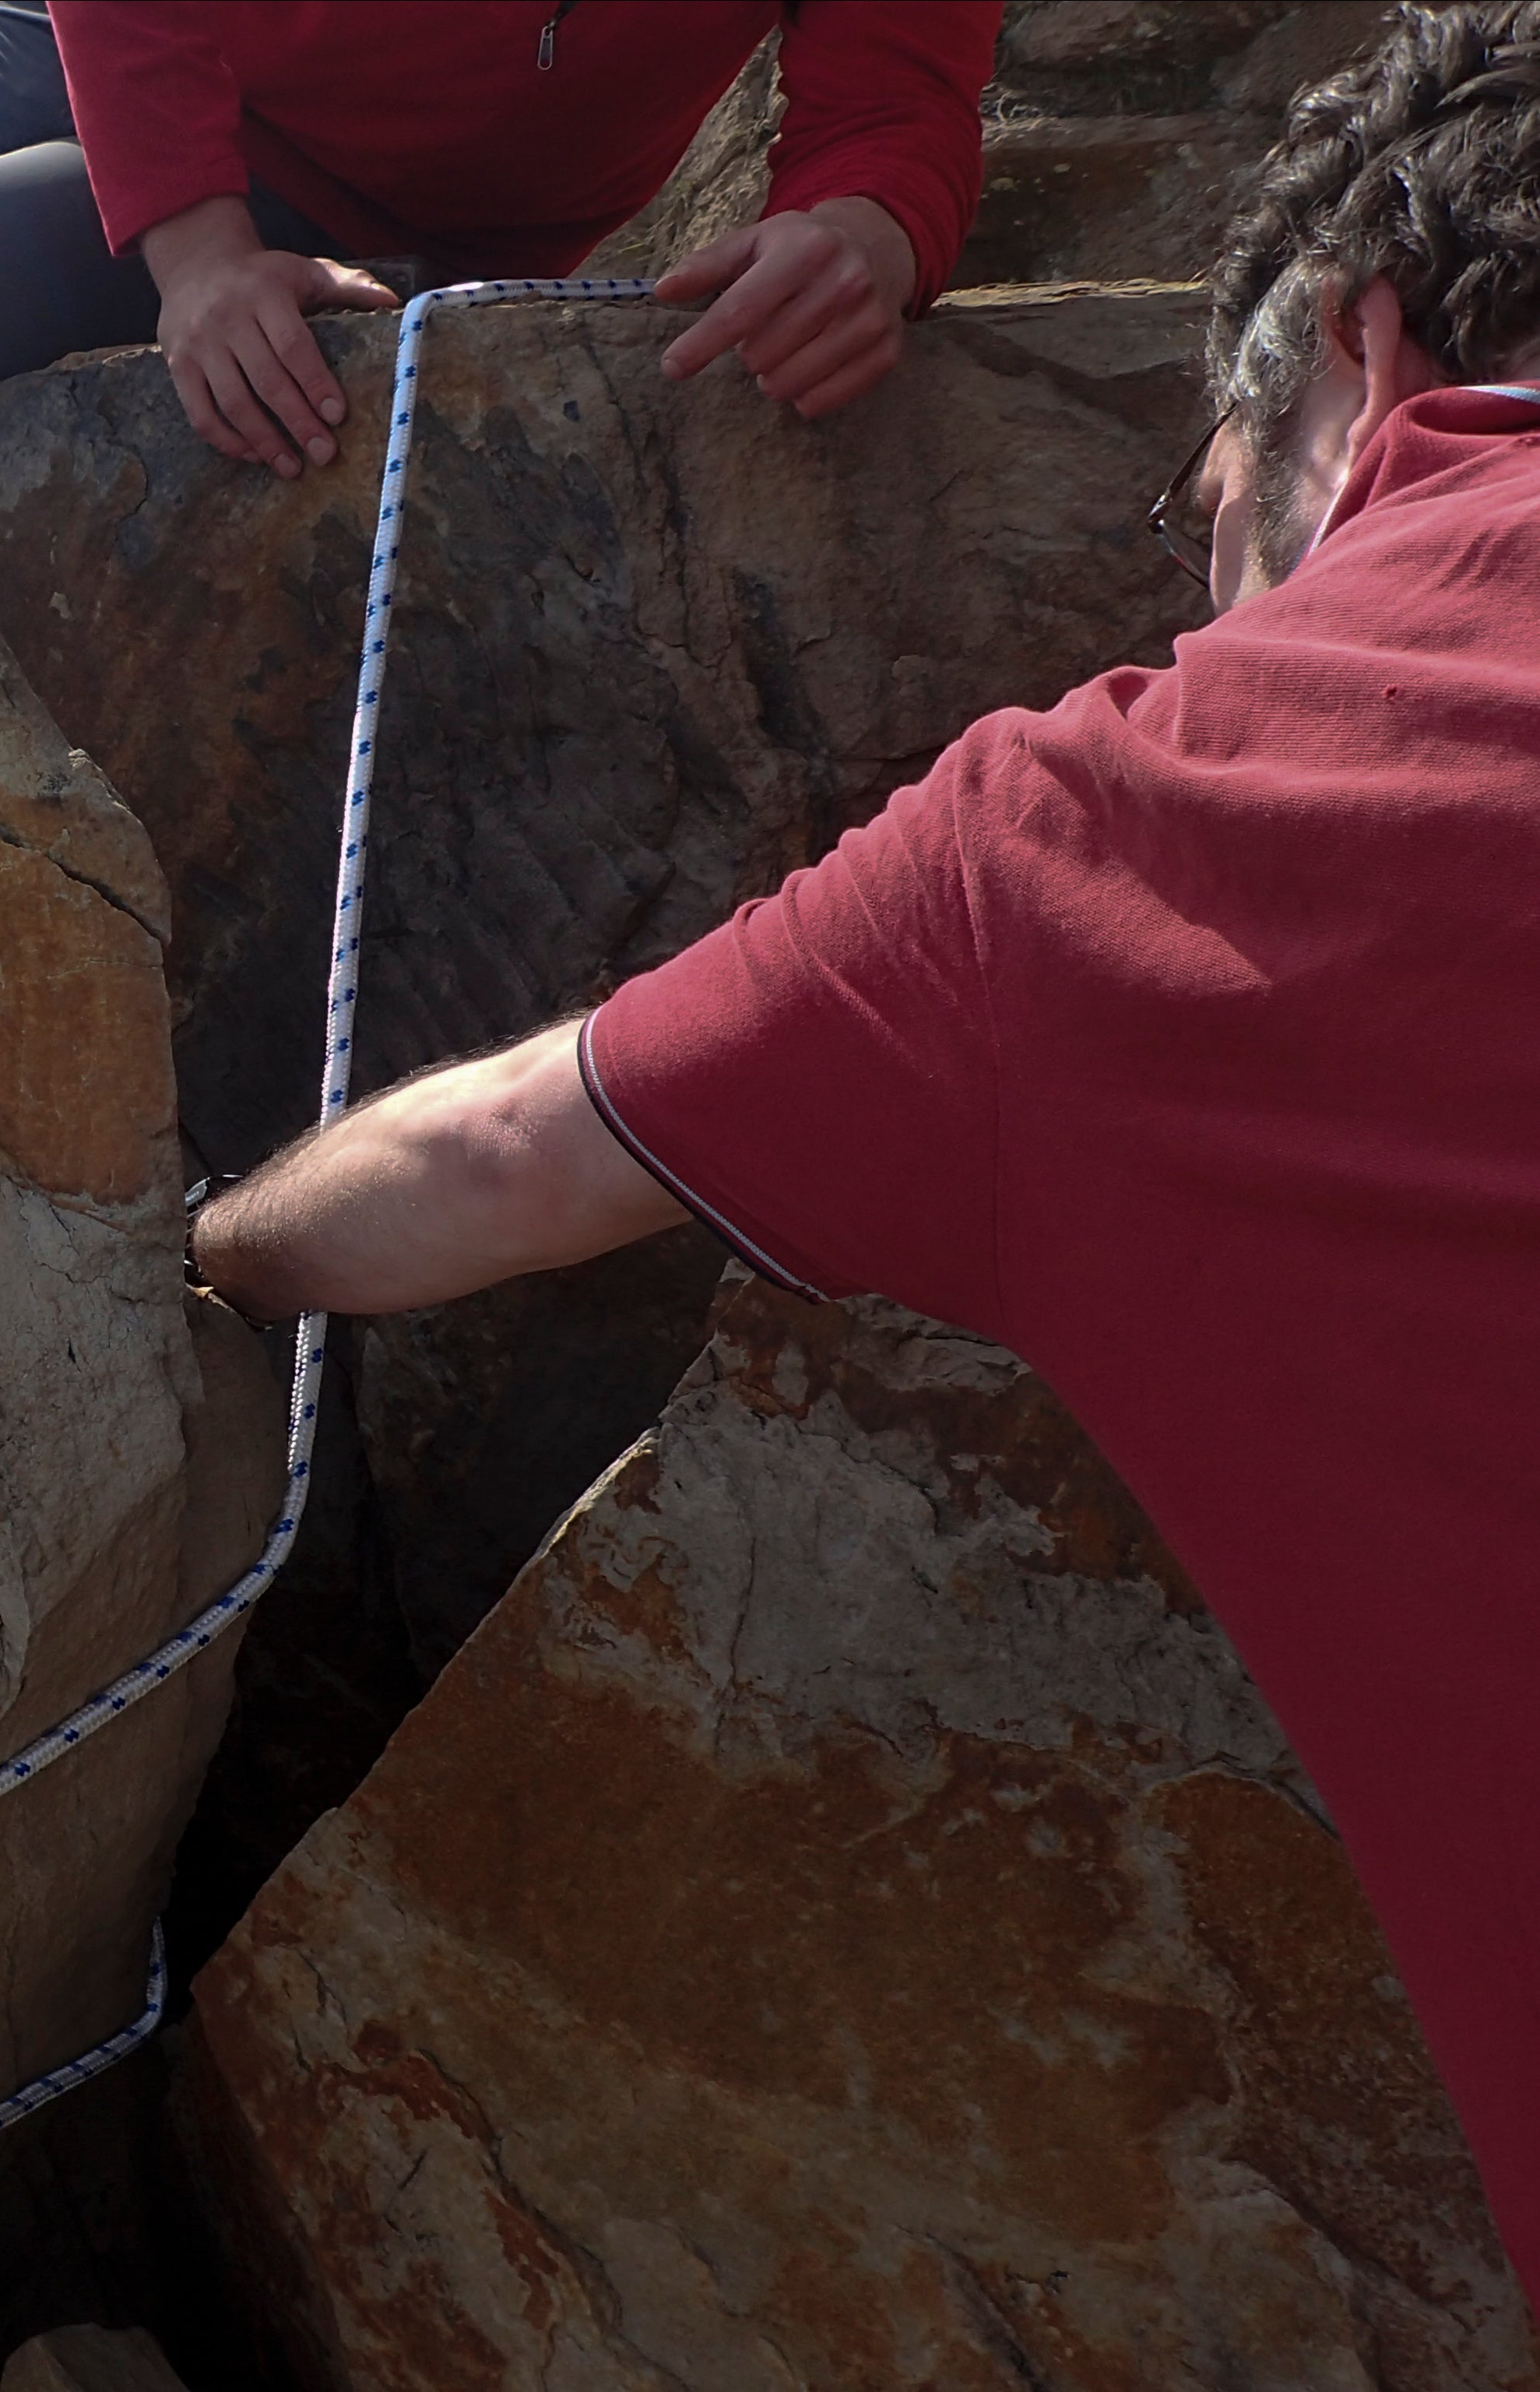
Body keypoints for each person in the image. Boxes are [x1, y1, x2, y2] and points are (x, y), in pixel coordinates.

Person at [187, 1, 1540, 2289]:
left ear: (1352, 341)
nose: (1203, 597)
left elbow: (497, 1160)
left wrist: (208, 1249)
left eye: (1204, 518)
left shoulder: (1111, 851)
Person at [0, 2, 998, 462]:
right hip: (47, 44)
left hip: (358, 202)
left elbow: (900, 99)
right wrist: (193, 250)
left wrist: (864, 231)